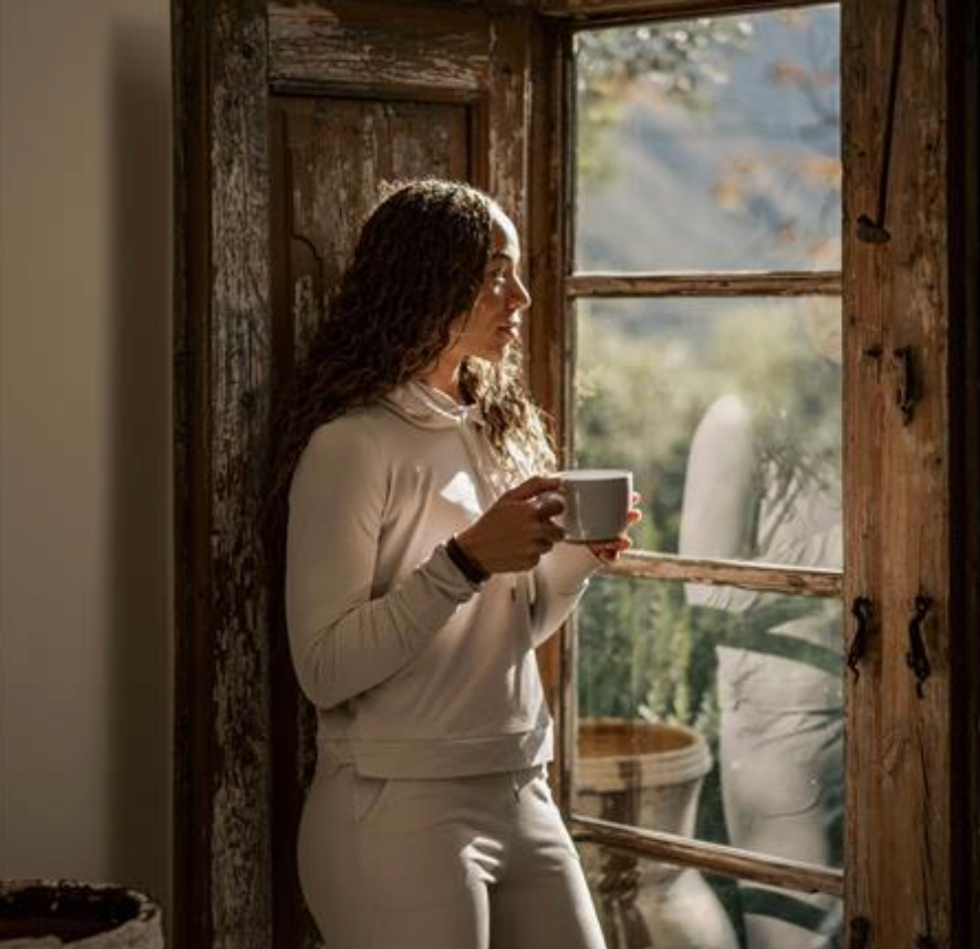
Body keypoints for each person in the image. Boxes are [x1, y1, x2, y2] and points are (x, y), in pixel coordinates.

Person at [264, 179, 639, 949]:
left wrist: (572, 565)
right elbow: (325, 667)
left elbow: (513, 628)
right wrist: (465, 561)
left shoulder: (491, 435)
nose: (523, 296)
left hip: (520, 785)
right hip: (396, 809)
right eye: (497, 271)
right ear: (428, 276)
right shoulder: (352, 445)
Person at [678, 307, 844, 949]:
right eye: (824, 298)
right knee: (794, 930)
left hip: (882, 709)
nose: (838, 316)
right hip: (786, 723)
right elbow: (705, 587)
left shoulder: (861, 407)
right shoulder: (742, 418)